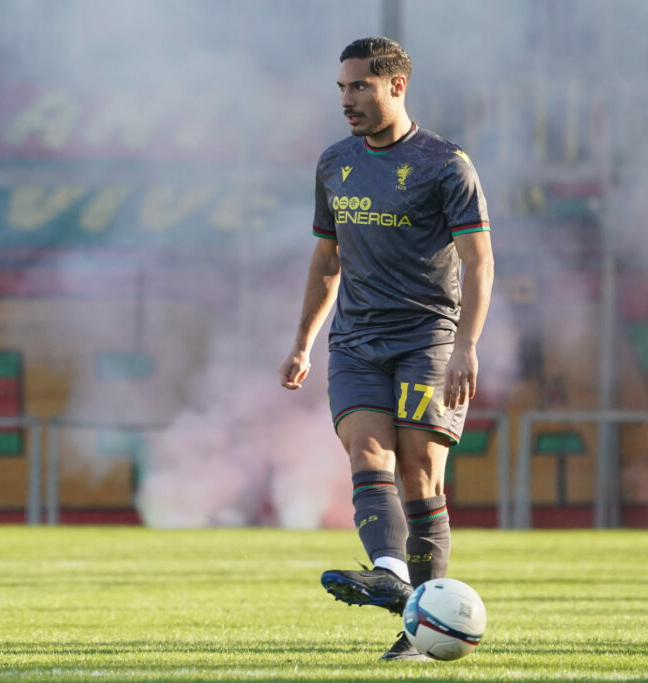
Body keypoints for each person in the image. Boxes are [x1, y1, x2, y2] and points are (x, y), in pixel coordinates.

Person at [278, 36, 493, 661]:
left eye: (360, 87)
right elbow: (327, 259)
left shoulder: (446, 165)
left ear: (396, 86)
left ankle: (417, 634)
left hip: (429, 338)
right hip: (354, 343)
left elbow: (479, 262)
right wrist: (303, 343)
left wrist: (467, 346)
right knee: (367, 452)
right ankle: (392, 574)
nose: (347, 100)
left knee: (420, 472)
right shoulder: (333, 164)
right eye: (342, 88)